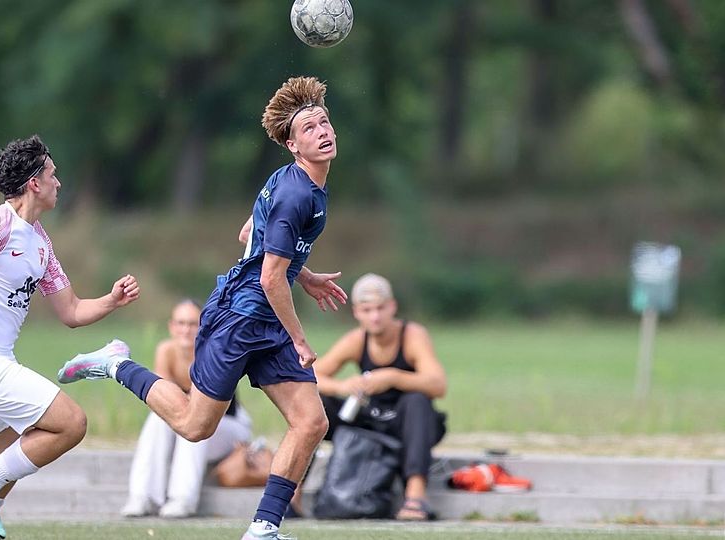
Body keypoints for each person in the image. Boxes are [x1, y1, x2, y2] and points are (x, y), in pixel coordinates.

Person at [57, 76, 347, 540]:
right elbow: (270, 276)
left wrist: (305, 276)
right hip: (242, 316)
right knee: (195, 426)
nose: (322, 130)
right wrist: (299, 336)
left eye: (325, 121)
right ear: (293, 145)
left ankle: (264, 528)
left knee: (311, 421)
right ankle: (115, 364)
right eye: (310, 128)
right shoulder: (298, 193)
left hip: (266, 314)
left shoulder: (295, 181)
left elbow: (249, 235)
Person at [0, 135, 140, 540]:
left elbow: (70, 311)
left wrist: (111, 301)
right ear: (34, 182)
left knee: (16, 452)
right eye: (53, 174)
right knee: (71, 424)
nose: (59, 182)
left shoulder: (41, 242)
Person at [311, 273, 448, 521]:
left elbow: (438, 385)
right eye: (367, 310)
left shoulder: (412, 335)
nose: (374, 316)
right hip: (368, 419)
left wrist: (393, 377)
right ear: (356, 313)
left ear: (392, 307)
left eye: (380, 308)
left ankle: (415, 496)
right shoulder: (355, 340)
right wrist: (343, 386)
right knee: (313, 402)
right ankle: (292, 493)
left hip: (407, 423)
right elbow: (311, 376)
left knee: (418, 399)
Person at [120, 299, 253, 518]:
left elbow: (203, 407)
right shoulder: (165, 350)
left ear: (203, 326)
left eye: (192, 324)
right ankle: (143, 496)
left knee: (194, 418)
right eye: (180, 323)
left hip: (228, 426)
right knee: (159, 417)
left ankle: (183, 499)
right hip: (190, 422)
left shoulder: (213, 351)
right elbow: (160, 398)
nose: (185, 330)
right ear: (172, 326)